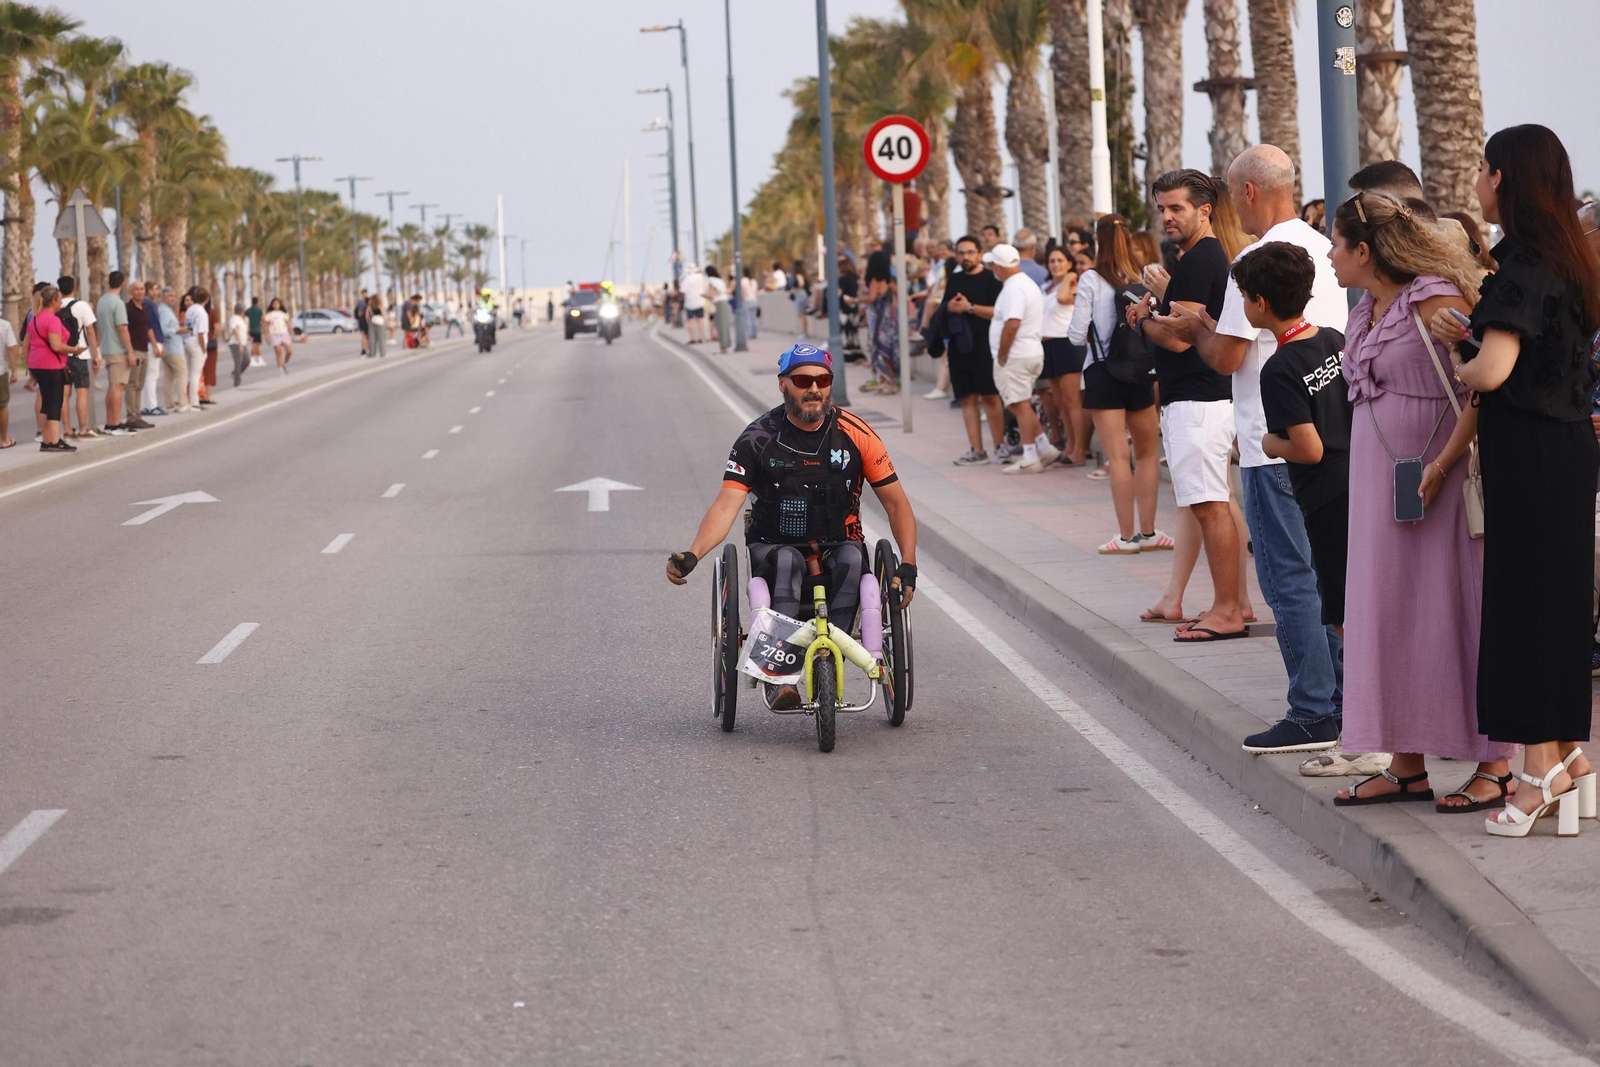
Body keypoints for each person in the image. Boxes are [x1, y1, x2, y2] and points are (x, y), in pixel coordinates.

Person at [1150, 145, 1347, 753]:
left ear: (1249, 193)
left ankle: (1314, 709)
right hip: (1332, 433)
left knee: (1290, 580)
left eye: (1235, 193)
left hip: (1275, 441)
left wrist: (1194, 325)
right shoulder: (1321, 246)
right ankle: (1344, 699)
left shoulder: (1257, 259)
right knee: (1329, 579)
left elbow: (1228, 355)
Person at [1322, 189, 1512, 808]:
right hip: (1381, 480)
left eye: (1337, 242)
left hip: (1440, 480)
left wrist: (1441, 464)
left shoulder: (1435, 297)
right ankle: (1406, 764)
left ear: (1365, 249)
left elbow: (1481, 388)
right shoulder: (1367, 307)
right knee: (1388, 611)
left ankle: (1496, 761)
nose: (1329, 252)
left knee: (1454, 608)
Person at [1438, 125, 1599, 835]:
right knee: (1560, 608)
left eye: (1483, 167)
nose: (1476, 178)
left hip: (1528, 455)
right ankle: (1570, 758)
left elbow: (1494, 372)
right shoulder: (1572, 259)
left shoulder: (1524, 266)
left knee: (1523, 612)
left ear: (1504, 178)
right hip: (1568, 447)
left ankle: (1536, 774)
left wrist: (1460, 355)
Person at [665, 342, 919, 710]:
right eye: (802, 380)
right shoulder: (757, 439)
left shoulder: (857, 434)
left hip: (839, 542)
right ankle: (778, 678)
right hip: (773, 544)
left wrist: (908, 564)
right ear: (783, 383)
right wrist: (693, 554)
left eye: (822, 379)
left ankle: (832, 656)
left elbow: (897, 504)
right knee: (787, 563)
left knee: (851, 560)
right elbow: (726, 505)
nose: (813, 388)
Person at [1133, 170, 1244, 640]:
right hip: (1208, 398)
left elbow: (1181, 338)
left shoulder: (1201, 258)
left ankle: (1227, 610)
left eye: (1176, 208)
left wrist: (1142, 320)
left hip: (1197, 401)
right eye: (1162, 208)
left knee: (1209, 507)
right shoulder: (1201, 256)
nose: (1167, 217)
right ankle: (1237, 602)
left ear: (1205, 210)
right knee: (1218, 503)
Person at [1244, 242, 1352, 643]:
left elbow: (1309, 449)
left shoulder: (1279, 368)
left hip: (1326, 497)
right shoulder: (1333, 339)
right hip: (1359, 480)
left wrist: (1270, 444)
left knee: (1342, 612)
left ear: (1259, 301)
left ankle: (1360, 704)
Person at [1069, 214, 1162, 553]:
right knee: (1148, 454)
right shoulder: (1141, 276)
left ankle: (1126, 538)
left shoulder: (1092, 279)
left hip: (1103, 372)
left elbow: (1077, 334)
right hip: (1138, 370)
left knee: (1118, 457)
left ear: (1098, 240)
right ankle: (1150, 533)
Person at [986, 243, 1057, 473]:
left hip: (1017, 355)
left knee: (1019, 404)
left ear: (998, 265)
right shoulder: (1025, 283)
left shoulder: (1014, 288)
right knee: (1022, 403)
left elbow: (1012, 323)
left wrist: (1003, 355)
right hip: (1029, 352)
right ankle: (1044, 448)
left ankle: (1029, 456)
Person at [938, 235, 1006, 464]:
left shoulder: (991, 280)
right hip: (960, 346)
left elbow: (999, 312)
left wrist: (970, 308)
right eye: (961, 252)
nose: (965, 257)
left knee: (990, 397)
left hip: (986, 346)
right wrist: (950, 307)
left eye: (970, 252)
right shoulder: (954, 279)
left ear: (979, 254)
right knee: (966, 398)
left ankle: (1001, 447)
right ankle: (977, 450)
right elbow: (945, 308)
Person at [1041, 246, 1089, 465]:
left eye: (1060, 260)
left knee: (1072, 401)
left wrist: (1070, 276)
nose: (1055, 264)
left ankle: (1080, 450)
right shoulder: (1045, 287)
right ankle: (1070, 446)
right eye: (1052, 260)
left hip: (1067, 345)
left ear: (1069, 263)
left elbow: (1062, 300)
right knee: (1060, 401)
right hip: (1049, 347)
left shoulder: (1073, 286)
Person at [26, 284, 83, 452]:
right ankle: (54, 440)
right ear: (53, 301)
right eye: (59, 300)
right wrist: (74, 350)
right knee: (55, 402)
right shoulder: (52, 320)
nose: (61, 304)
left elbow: (26, 345)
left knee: (46, 402)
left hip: (37, 364)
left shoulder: (35, 318)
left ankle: (46, 439)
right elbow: (56, 346)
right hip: (51, 365)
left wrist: (30, 367)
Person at [53, 275, 99, 439]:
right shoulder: (81, 306)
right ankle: (83, 428)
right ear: (75, 288)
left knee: (65, 394)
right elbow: (91, 330)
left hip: (62, 355)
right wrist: (95, 353)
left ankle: (67, 430)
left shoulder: (56, 306)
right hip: (80, 354)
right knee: (82, 393)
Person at [96, 269, 135, 434]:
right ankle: (115, 423)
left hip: (106, 348)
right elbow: (122, 328)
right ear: (123, 284)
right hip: (117, 349)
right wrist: (130, 351)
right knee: (117, 386)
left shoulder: (102, 301)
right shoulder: (118, 303)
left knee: (113, 386)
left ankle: (110, 422)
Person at [862, 250, 899, 394]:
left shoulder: (874, 281)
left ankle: (887, 382)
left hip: (878, 318)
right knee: (888, 350)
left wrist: (855, 300)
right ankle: (888, 381)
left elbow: (871, 298)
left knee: (880, 349)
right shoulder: (888, 281)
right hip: (889, 318)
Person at [156, 286, 186, 413]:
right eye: (170, 296)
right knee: (182, 374)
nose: (173, 298)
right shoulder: (164, 311)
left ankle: (169, 404)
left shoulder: (167, 310)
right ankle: (182, 403)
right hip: (173, 348)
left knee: (169, 377)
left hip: (170, 348)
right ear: (163, 297)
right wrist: (177, 330)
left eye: (174, 296)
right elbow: (163, 329)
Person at [183, 288, 209, 410]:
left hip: (187, 341)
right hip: (196, 343)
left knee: (189, 373)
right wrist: (204, 348)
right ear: (206, 299)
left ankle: (186, 400)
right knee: (195, 374)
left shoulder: (190, 310)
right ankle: (194, 402)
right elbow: (201, 333)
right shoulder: (202, 312)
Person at [0, 310, 19, 448]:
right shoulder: (4, 325)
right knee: (2, 405)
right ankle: (4, 439)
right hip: (0, 370)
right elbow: (11, 348)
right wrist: (14, 370)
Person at [200, 287, 220, 404]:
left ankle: (200, 395)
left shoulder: (195, 311)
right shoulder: (212, 312)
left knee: (199, 370)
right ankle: (208, 395)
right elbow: (217, 327)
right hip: (210, 344)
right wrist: (213, 336)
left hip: (199, 343)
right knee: (210, 370)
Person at [707, 265, 732, 353]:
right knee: (725, 326)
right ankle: (725, 346)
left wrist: (702, 295)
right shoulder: (720, 280)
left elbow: (711, 294)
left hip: (719, 303)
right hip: (724, 302)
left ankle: (723, 348)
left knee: (721, 326)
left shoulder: (711, 281)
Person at [264, 297, 292, 374]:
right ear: (272, 305)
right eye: (274, 304)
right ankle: (280, 369)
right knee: (278, 351)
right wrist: (266, 336)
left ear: (280, 305)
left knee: (289, 351)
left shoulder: (284, 314)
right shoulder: (269, 315)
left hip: (284, 333)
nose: (276, 305)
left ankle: (285, 363)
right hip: (274, 334)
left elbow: (288, 323)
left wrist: (292, 332)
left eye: (277, 304)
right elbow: (266, 325)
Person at [681, 263, 707, 343]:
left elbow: (683, 291)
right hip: (700, 301)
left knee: (691, 321)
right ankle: (701, 337)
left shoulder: (686, 278)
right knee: (700, 320)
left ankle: (693, 338)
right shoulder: (700, 277)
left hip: (689, 302)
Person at [228, 303, 249, 386]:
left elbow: (241, 331)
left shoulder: (240, 319)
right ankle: (237, 383)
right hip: (236, 344)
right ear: (242, 310)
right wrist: (240, 344)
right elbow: (235, 331)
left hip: (243, 343)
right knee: (238, 363)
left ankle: (234, 374)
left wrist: (248, 337)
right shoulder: (234, 319)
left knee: (247, 361)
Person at [245, 296, 264, 367]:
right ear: (257, 302)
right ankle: (252, 358)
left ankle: (259, 358)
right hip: (257, 330)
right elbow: (262, 319)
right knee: (255, 345)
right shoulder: (259, 310)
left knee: (256, 345)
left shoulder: (249, 310)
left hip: (251, 330)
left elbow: (244, 316)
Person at [354, 288, 370, 356]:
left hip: (367, 322)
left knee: (367, 337)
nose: (365, 295)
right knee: (365, 336)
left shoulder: (367, 302)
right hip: (363, 322)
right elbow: (359, 313)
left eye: (366, 293)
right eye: (364, 294)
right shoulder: (361, 303)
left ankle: (367, 349)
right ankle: (363, 350)